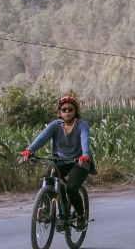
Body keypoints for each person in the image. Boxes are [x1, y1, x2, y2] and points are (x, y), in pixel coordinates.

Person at [19, 95, 95, 231]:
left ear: (75, 110)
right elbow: (42, 138)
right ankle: (47, 208)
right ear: (60, 112)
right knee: (48, 176)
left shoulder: (81, 125)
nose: (67, 112)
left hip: (79, 162)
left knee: (71, 189)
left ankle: (81, 216)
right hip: (60, 160)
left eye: (70, 109)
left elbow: (85, 141)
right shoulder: (55, 125)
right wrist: (29, 150)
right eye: (64, 109)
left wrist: (85, 155)